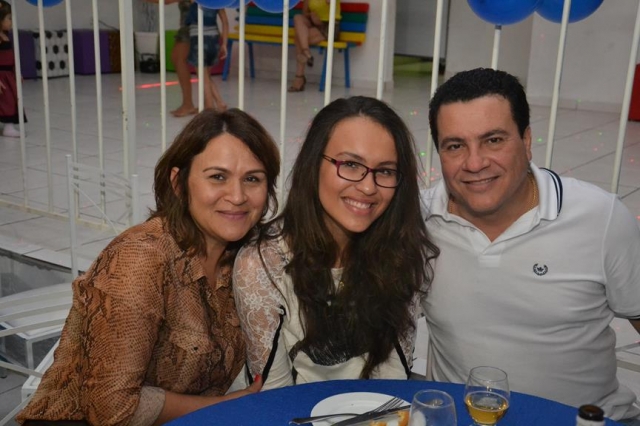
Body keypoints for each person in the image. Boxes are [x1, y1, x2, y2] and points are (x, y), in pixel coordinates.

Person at [17, 108, 281, 426]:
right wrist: (223, 406)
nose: (237, 196)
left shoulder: (245, 258)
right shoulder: (140, 260)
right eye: (218, 177)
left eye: (252, 179)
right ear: (179, 183)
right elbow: (112, 408)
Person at [421, 68, 640, 422]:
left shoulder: (600, 218)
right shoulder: (418, 221)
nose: (475, 163)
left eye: (493, 140)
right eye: (455, 146)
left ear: (526, 140)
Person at [233, 96, 439, 389]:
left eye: (385, 171)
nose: (368, 187)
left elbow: (392, 380)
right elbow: (271, 396)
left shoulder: (402, 250)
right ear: (313, 164)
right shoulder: (262, 264)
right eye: (351, 164)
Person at [144, 0, 197, 117]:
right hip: (190, 27)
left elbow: (166, 1)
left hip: (191, 28)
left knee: (179, 59)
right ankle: (192, 103)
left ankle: (190, 104)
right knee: (179, 59)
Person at [288, 0, 341, 92]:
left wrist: (319, 22)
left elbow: (330, 6)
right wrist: (311, 16)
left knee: (299, 37)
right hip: (313, 23)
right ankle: (306, 52)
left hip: (329, 25)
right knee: (298, 18)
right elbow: (304, 13)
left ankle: (299, 77)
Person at [186, 1, 228, 112]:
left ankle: (210, 107)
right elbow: (225, 22)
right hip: (214, 40)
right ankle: (219, 102)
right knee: (206, 76)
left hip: (198, 39)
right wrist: (224, 43)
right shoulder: (218, 3)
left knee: (203, 77)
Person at [0, 0, 24, 138]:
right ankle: (8, 128)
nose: (11, 21)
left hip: (9, 74)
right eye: (9, 18)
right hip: (1, 76)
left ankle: (8, 125)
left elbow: (11, 56)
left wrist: (17, 72)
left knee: (11, 99)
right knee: (6, 100)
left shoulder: (6, 35)